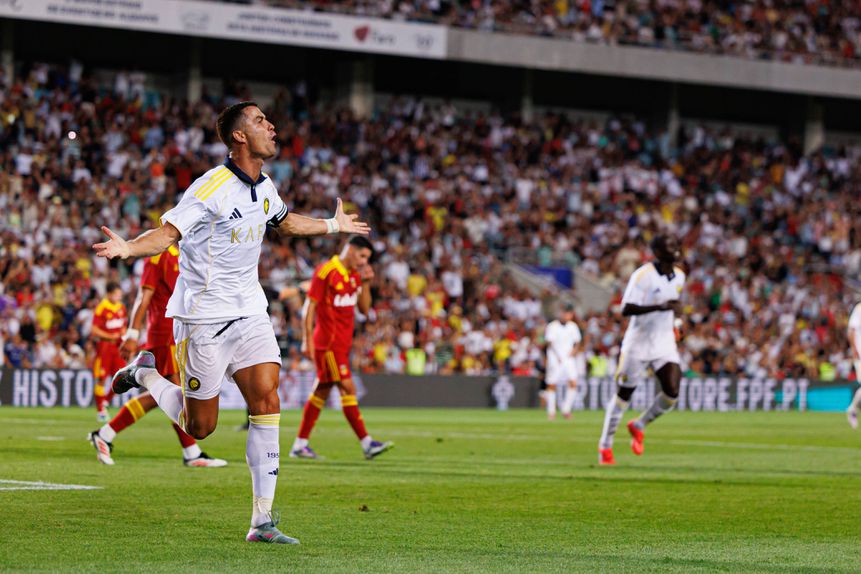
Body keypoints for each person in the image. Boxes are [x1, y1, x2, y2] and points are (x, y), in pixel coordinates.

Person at [92, 101, 370, 544]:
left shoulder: (265, 186)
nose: (272, 126)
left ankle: (262, 520)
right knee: (200, 426)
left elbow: (284, 221)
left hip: (250, 312)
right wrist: (128, 248)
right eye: (260, 121)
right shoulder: (210, 187)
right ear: (239, 136)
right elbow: (167, 234)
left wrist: (331, 226)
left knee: (267, 399)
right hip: (202, 320)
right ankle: (144, 373)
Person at [87, 245, 227, 467]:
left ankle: (106, 434)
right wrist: (132, 333)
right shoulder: (158, 255)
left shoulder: (184, 253)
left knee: (163, 395)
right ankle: (191, 453)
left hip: (176, 333)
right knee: (176, 392)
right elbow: (144, 297)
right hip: (163, 335)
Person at [290, 237, 393, 460]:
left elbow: (365, 310)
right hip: (327, 345)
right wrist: (306, 340)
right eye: (362, 256)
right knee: (348, 388)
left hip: (342, 346)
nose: (364, 262)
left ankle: (300, 444)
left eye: (368, 258)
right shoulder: (326, 271)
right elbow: (310, 306)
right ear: (350, 250)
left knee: (321, 392)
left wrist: (366, 283)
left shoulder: (355, 275)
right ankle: (367, 443)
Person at [598, 235, 685, 465]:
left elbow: (674, 307)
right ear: (657, 251)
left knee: (672, 391)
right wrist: (660, 306)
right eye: (670, 245)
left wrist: (677, 324)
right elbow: (626, 308)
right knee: (623, 395)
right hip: (638, 343)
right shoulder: (643, 275)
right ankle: (605, 446)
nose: (676, 248)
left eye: (676, 244)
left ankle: (639, 425)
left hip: (664, 341)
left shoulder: (680, 276)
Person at [91, 282, 127, 422]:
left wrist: (123, 337)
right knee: (101, 378)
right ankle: (100, 410)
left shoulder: (121, 308)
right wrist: (110, 336)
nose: (119, 296)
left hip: (117, 348)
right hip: (104, 347)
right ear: (110, 294)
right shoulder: (102, 308)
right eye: (117, 294)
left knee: (122, 378)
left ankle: (105, 400)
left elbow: (123, 326)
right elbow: (94, 330)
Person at [543, 304, 582, 420]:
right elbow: (549, 342)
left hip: (568, 359)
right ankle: (551, 411)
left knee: (573, 383)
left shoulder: (573, 326)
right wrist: (557, 356)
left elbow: (577, 341)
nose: (566, 315)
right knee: (551, 384)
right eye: (565, 312)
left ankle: (566, 409)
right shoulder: (552, 326)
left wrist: (574, 351)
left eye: (569, 313)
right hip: (555, 359)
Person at [846, 302, 861, 429]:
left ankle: (852, 408)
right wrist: (854, 349)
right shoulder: (859, 308)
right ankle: (852, 409)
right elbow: (851, 330)